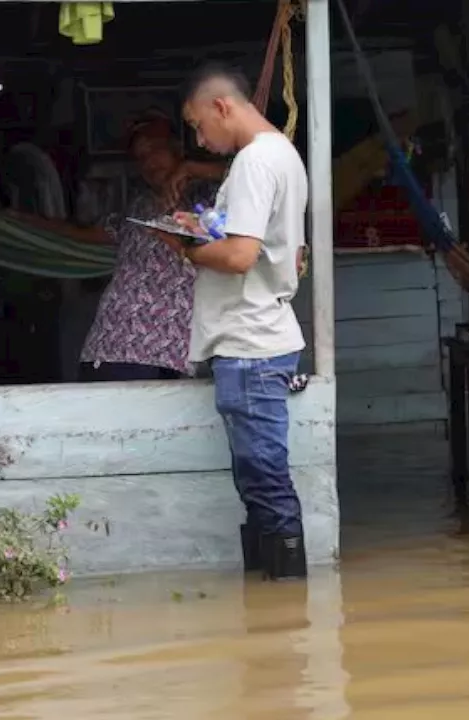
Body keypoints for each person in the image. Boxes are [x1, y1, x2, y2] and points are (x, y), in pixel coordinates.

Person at [165, 64, 310, 581]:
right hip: (258, 337)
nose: (200, 139)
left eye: (198, 125)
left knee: (264, 480)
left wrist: (186, 249)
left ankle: (288, 600)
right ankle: (274, 613)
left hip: (250, 342)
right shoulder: (282, 155)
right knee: (257, 478)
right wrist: (202, 227)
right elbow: (262, 243)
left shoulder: (252, 162)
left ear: (221, 106)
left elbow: (241, 256)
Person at [11, 111, 225, 381]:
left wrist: (192, 168)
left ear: (177, 148)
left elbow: (254, 172)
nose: (149, 162)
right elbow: (83, 233)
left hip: (173, 350)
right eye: (141, 157)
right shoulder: (138, 205)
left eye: (155, 150)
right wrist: (24, 221)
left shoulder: (212, 196)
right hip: (117, 343)